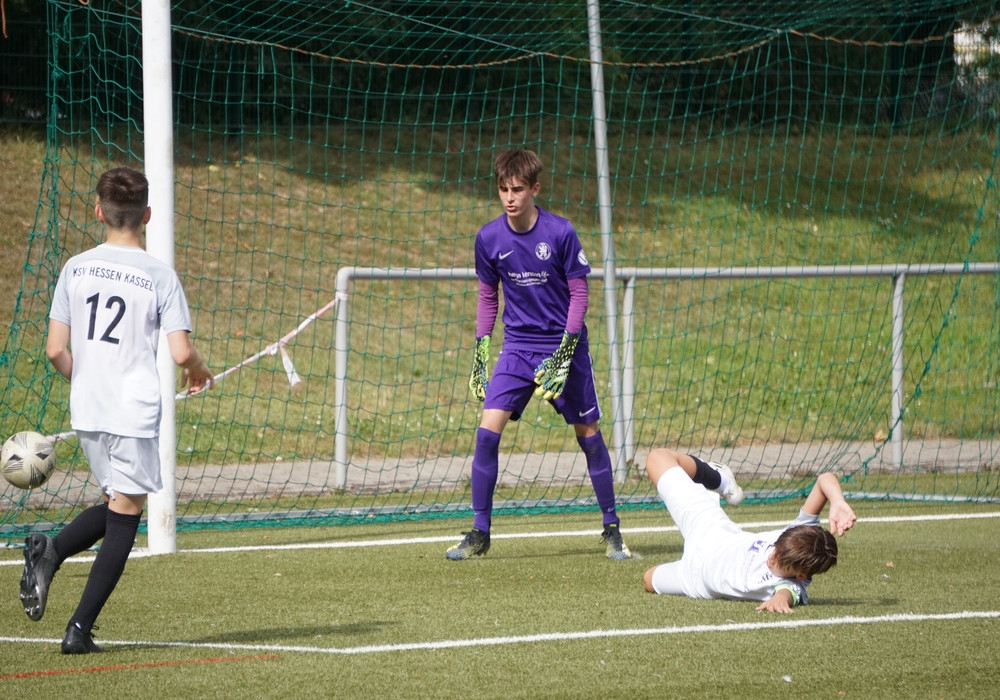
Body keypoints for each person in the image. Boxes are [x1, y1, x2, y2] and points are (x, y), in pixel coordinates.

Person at [19, 167, 214, 653]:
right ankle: (78, 629)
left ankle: (51, 551)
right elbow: (180, 352)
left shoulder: (75, 267)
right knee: (126, 516)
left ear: (99, 211)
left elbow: (54, 350)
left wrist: (85, 380)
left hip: (87, 408)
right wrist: (200, 371)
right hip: (131, 410)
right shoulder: (159, 275)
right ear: (146, 215)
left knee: (118, 503)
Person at [446, 149, 631, 561]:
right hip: (517, 348)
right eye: (503, 189)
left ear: (535, 189)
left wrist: (565, 354)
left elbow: (580, 294)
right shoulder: (489, 238)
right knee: (486, 434)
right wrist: (480, 352)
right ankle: (480, 532)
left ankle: (612, 527)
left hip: (564, 347)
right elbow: (487, 298)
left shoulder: (560, 232)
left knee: (589, 436)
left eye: (517, 190)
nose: (509, 197)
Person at [642, 447, 856, 612]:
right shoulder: (801, 532)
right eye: (777, 550)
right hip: (712, 532)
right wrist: (837, 501)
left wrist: (780, 600)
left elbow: (786, 594)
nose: (771, 557)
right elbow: (823, 480)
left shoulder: (792, 585)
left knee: (648, 580)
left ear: (799, 575)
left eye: (780, 562)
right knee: (657, 457)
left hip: (694, 581)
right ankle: (718, 479)